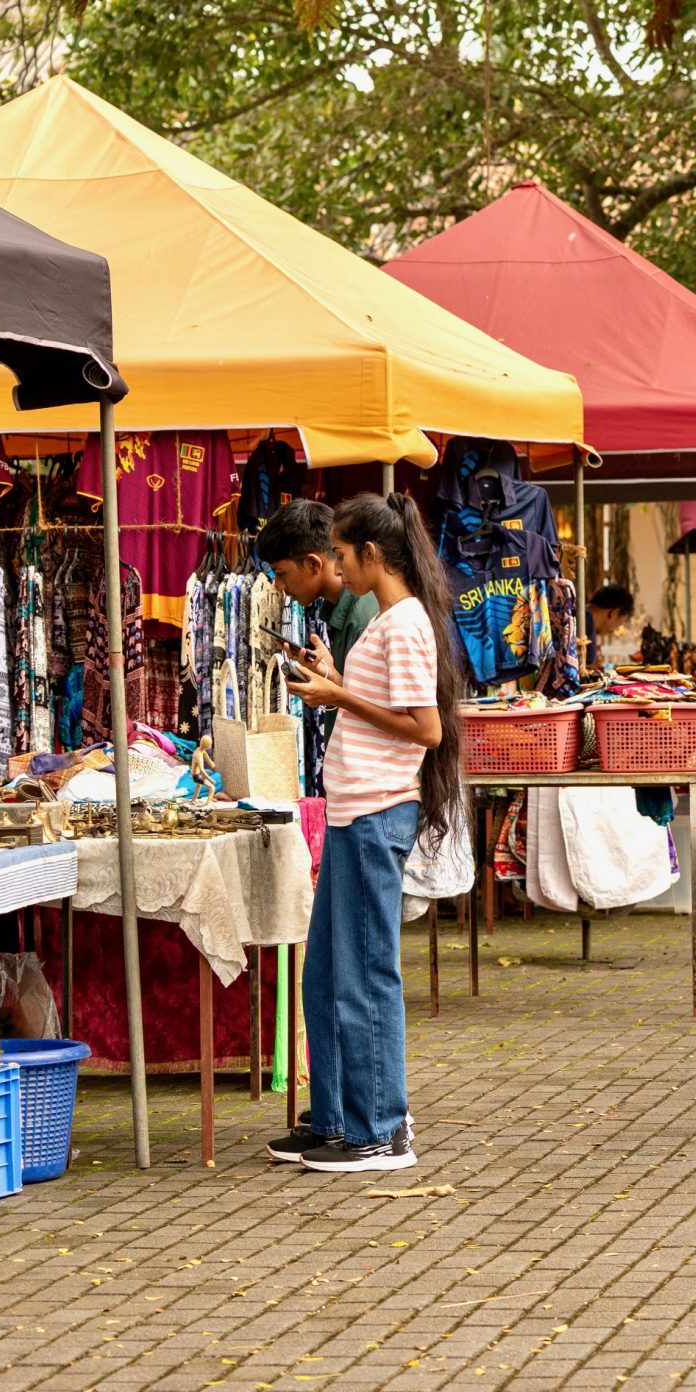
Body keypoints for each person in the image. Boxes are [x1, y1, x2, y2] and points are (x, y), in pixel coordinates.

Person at [268, 494, 463, 1174]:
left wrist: (340, 696)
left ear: (373, 555)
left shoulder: (404, 622)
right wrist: (338, 678)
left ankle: (380, 1128)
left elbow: (425, 729)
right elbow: (390, 710)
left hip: (376, 814)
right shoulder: (388, 621)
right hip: (357, 810)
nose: (339, 569)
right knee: (323, 974)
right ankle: (337, 1118)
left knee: (365, 974)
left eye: (345, 556)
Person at [256, 498, 378, 667]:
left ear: (313, 564)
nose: (277, 585)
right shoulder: (343, 607)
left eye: (280, 573)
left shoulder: (362, 620)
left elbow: (363, 694)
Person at [589, 583, 639, 665]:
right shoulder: (586, 623)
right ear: (613, 614)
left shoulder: (581, 615)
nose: (612, 631)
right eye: (618, 624)